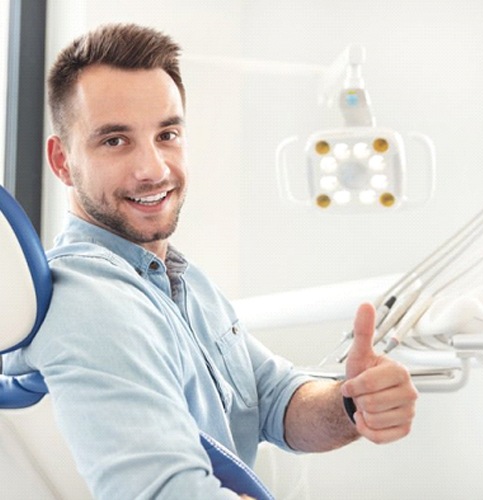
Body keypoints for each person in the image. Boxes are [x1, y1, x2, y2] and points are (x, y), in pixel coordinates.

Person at [3, 23, 417, 499]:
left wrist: (351, 402)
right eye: (115, 140)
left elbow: (273, 400)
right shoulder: (91, 304)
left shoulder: (180, 280)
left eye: (167, 134)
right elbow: (163, 492)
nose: (154, 169)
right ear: (61, 161)